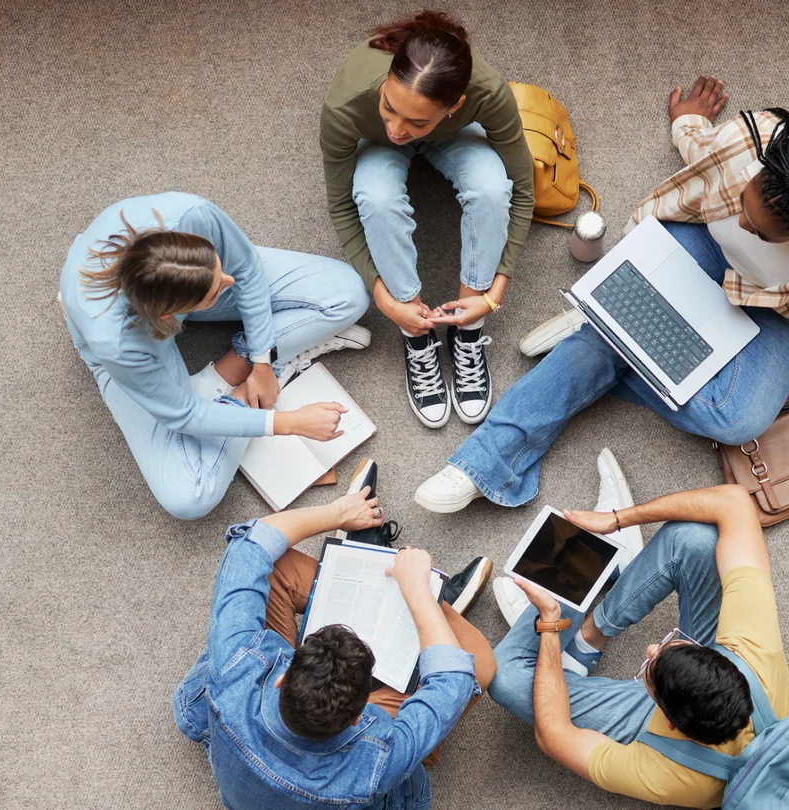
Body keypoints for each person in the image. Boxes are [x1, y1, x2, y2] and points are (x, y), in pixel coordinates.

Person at [414, 76, 789, 512]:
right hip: (695, 245)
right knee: (629, 347)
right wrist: (688, 122)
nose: (741, 220)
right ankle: (485, 460)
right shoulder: (749, 141)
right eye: (744, 203)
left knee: (737, 420)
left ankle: (606, 333)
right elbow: (702, 152)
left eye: (759, 229)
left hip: (782, 305)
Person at [172, 464, 495, 810]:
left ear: (282, 678)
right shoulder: (374, 762)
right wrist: (417, 589)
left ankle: (364, 567)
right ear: (360, 717)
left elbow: (251, 546)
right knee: (479, 659)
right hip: (364, 781)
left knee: (275, 568)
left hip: (239, 757)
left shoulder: (237, 668)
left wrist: (338, 511)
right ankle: (425, 597)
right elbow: (455, 681)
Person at [59, 191, 370, 520]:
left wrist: (262, 361)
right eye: (215, 290)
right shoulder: (117, 344)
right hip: (135, 341)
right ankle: (239, 392)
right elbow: (183, 415)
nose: (229, 281)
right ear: (171, 315)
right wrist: (286, 422)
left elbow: (245, 269)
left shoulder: (191, 215)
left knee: (348, 295)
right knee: (190, 496)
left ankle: (237, 366)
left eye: (218, 267)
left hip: (175, 295)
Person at [487, 484, 789, 808]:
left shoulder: (669, 774)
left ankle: (568, 588)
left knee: (505, 676)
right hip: (727, 695)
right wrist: (618, 520)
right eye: (669, 645)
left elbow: (553, 737)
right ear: (721, 657)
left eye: (650, 669)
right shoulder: (753, 646)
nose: (650, 648)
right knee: (694, 538)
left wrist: (549, 620)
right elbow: (733, 501)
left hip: (693, 749)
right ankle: (585, 642)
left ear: (668, 722)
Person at [321, 10, 534, 428]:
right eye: (389, 107)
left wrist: (492, 293)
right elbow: (342, 205)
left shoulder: (486, 93)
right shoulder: (346, 106)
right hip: (373, 145)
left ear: (455, 105)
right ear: (384, 87)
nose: (399, 128)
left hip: (454, 136)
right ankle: (414, 329)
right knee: (375, 198)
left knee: (493, 189)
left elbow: (523, 189)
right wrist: (384, 298)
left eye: (415, 121)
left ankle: (467, 320)